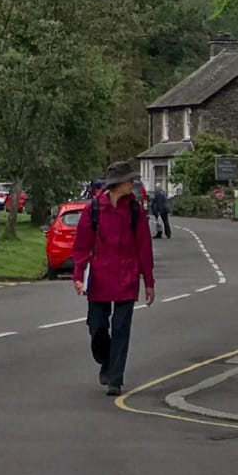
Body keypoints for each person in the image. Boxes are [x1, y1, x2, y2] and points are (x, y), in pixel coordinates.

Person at [72, 161, 155, 397]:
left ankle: (115, 378)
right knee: (97, 327)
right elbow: (81, 246)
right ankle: (106, 360)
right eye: (130, 180)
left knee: (121, 328)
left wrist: (148, 282)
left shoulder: (135, 211)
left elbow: (144, 248)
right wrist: (79, 276)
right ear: (118, 184)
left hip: (127, 277)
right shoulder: (95, 209)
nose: (133, 183)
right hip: (99, 277)